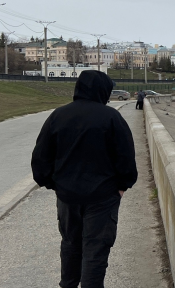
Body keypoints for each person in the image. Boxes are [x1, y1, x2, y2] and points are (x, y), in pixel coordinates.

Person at [31, 70, 138, 288]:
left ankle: (68, 284)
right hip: (102, 196)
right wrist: (123, 185)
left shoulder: (58, 115)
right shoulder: (111, 117)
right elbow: (125, 157)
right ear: (103, 90)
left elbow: (41, 158)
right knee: (95, 249)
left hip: (68, 196)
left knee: (70, 244)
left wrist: (53, 184)